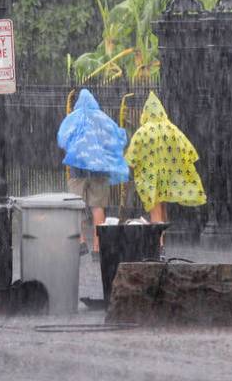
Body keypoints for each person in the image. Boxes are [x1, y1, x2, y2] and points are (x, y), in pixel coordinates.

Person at [57, 89, 130, 256]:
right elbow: (118, 137)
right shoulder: (102, 118)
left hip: (78, 168)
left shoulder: (73, 118)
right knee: (98, 207)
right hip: (99, 169)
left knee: (75, 206)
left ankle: (81, 242)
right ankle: (98, 247)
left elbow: (62, 139)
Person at [124, 91, 206, 231]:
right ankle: (162, 236)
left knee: (154, 206)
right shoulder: (172, 129)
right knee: (162, 205)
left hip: (150, 176)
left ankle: (159, 243)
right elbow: (189, 152)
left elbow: (131, 158)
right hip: (167, 175)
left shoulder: (142, 132)